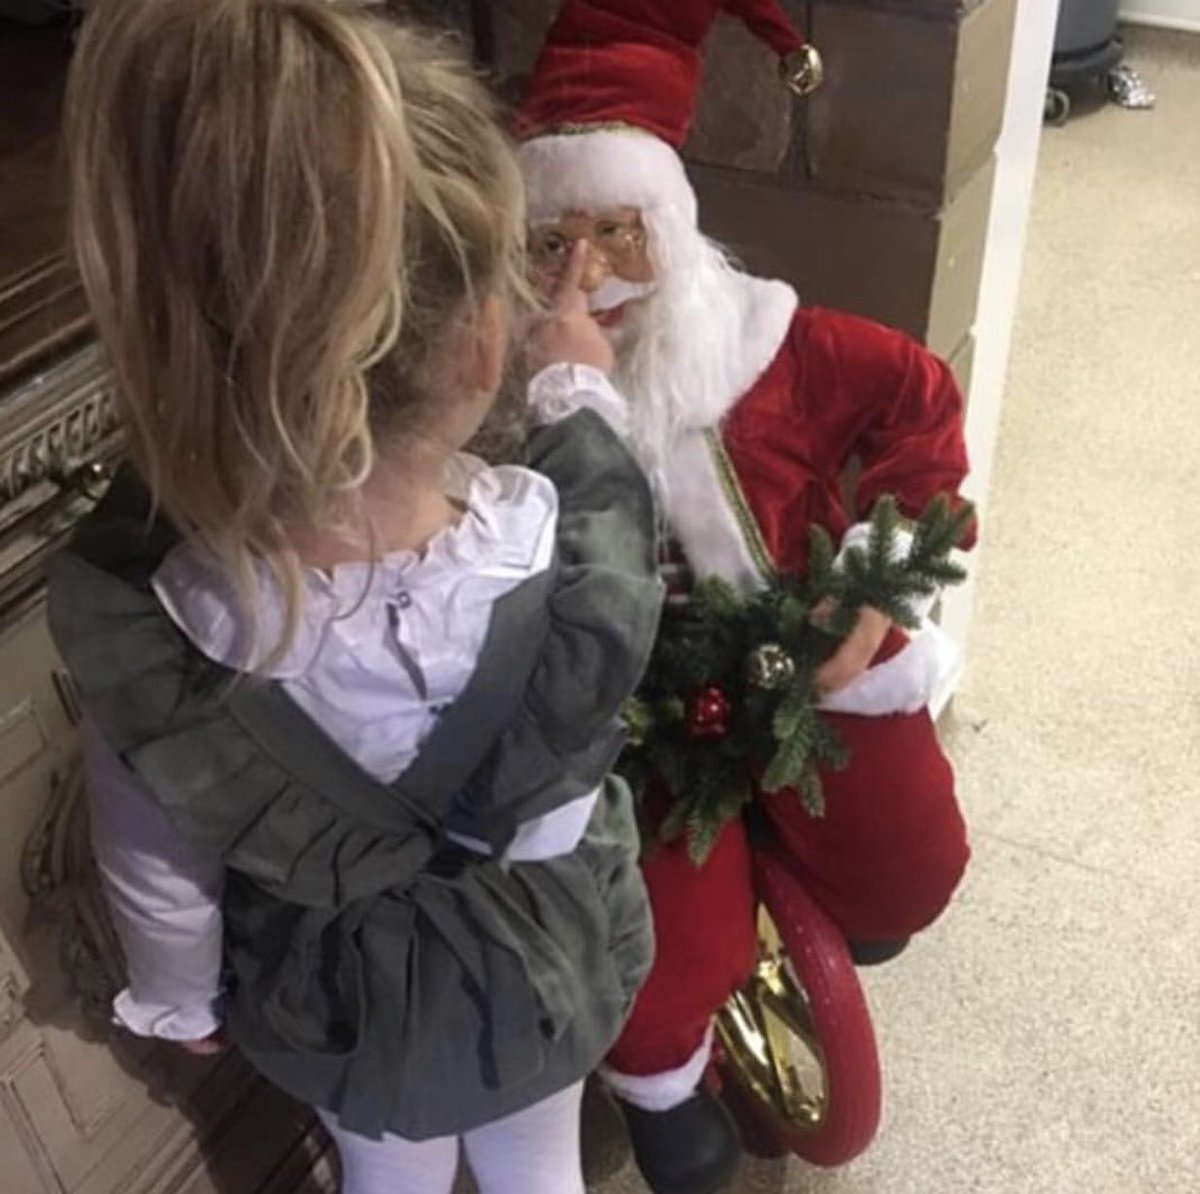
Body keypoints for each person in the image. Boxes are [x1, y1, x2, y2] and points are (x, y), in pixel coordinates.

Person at [49, 2, 663, 1192]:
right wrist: (580, 392)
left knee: (389, 1173)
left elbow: (157, 870)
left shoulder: (175, 632)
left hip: (353, 1004)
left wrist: (182, 1002)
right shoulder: (555, 557)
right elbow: (550, 809)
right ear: (487, 345)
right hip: (535, 957)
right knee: (542, 1167)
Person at [514, 2, 978, 1191]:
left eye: (616, 234)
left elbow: (919, 401)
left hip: (803, 662)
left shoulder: (774, 346)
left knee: (911, 859)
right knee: (657, 971)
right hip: (645, 727)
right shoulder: (511, 404)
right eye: (548, 246)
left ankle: (827, 890)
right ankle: (666, 1098)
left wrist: (872, 588)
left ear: (664, 221)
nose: (586, 278)